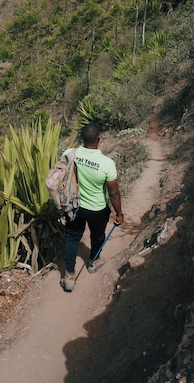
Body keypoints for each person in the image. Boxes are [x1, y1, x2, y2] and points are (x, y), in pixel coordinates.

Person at [61, 123, 124, 292]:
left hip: (74, 206)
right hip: (97, 209)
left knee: (72, 237)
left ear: (82, 138)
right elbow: (113, 193)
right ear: (99, 139)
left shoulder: (69, 154)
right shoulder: (106, 163)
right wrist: (119, 214)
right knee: (97, 236)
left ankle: (69, 276)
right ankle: (93, 261)